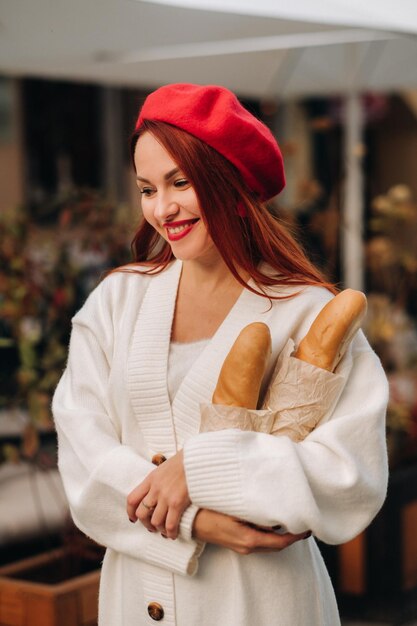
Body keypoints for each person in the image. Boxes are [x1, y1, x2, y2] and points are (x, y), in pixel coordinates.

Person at [52, 83, 388, 626]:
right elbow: (81, 455)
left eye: (180, 182)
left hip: (261, 604)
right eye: (146, 188)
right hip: (134, 599)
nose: (162, 209)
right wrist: (196, 520)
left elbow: (351, 475)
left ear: (231, 183)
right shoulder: (118, 300)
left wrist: (203, 468)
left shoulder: (307, 311)